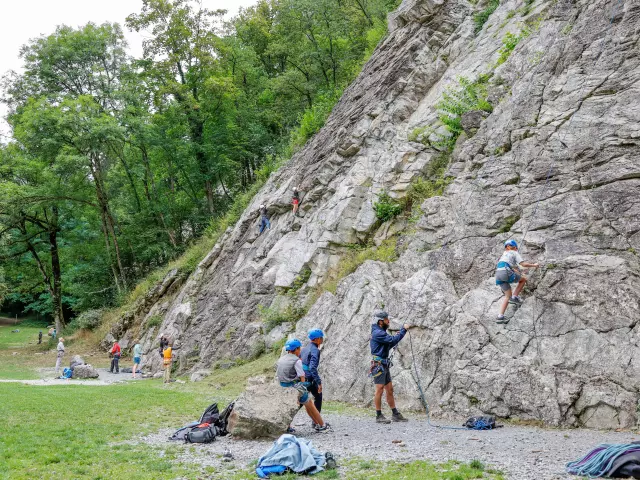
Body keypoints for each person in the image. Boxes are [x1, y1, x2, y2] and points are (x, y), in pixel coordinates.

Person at [276, 339, 330, 432]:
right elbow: (302, 376)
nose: (300, 350)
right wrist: (304, 388)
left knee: (288, 409)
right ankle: (322, 425)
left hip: (283, 387)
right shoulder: (297, 361)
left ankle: (288, 427)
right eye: (299, 348)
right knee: (310, 404)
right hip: (294, 387)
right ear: (296, 349)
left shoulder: (281, 359)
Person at [370, 311, 410, 424]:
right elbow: (391, 340)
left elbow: (389, 343)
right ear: (380, 321)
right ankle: (378, 415)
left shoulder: (380, 332)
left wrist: (397, 336)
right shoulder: (378, 333)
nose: (389, 321)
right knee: (379, 390)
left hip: (384, 364)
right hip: (378, 365)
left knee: (389, 389)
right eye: (387, 319)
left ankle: (395, 414)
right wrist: (403, 330)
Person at [495, 239, 540, 323]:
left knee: (507, 296)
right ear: (515, 247)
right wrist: (534, 265)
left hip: (498, 274)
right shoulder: (514, 252)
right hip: (505, 272)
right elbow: (523, 264)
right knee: (523, 280)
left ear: (507, 247)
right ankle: (515, 297)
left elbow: (510, 267)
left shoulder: (504, 254)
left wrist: (518, 272)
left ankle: (500, 316)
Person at [301, 329, 324, 420]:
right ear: (317, 339)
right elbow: (312, 368)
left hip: (302, 377)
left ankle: (287, 424)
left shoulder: (304, 349)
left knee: (302, 399)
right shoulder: (315, 350)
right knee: (318, 396)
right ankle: (317, 422)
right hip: (309, 378)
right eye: (321, 337)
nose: (322, 339)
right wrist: (318, 382)